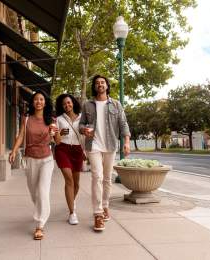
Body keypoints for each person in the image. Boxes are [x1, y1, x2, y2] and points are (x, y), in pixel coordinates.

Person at [79, 75, 131, 231]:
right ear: (94, 87)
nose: (100, 84)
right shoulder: (87, 105)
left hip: (110, 145)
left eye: (102, 82)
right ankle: (98, 213)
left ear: (107, 86)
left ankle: (105, 205)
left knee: (107, 179)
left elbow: (123, 124)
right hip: (93, 144)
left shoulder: (116, 104)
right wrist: (83, 130)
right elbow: (81, 124)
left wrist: (126, 142)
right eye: (97, 83)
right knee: (97, 177)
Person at [9, 90, 59, 240]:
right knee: (34, 192)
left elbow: (58, 141)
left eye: (41, 99)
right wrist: (13, 151)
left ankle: (40, 225)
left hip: (46, 160)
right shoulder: (26, 119)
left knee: (43, 191)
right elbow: (21, 136)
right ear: (33, 102)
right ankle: (41, 209)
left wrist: (55, 132)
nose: (39, 102)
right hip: (30, 159)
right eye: (36, 99)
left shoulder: (51, 119)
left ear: (45, 102)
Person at [54, 94, 84, 225]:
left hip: (77, 150)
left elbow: (86, 135)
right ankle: (72, 213)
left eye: (69, 102)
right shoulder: (58, 119)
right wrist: (59, 133)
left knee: (76, 184)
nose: (67, 105)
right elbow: (56, 140)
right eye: (64, 104)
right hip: (63, 149)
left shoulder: (82, 118)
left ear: (73, 103)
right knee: (69, 179)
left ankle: (71, 201)